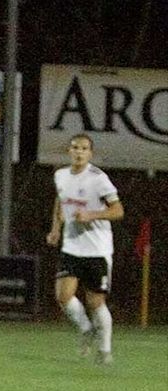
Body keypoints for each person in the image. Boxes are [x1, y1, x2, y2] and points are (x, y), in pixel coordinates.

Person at [46, 133, 123, 365]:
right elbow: (60, 201)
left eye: (84, 148)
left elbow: (118, 210)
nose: (79, 152)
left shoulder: (98, 179)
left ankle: (105, 350)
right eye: (75, 148)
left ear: (90, 153)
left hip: (97, 248)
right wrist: (56, 229)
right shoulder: (60, 175)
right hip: (72, 246)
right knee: (63, 295)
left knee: (95, 302)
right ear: (69, 151)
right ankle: (86, 328)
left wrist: (92, 214)